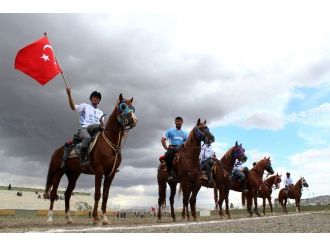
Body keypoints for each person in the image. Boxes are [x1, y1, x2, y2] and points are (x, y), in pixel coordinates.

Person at [66, 88, 105, 166]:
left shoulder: (101, 112)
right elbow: (73, 107)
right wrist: (69, 95)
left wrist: (102, 126)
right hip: (85, 129)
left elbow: (102, 124)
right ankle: (82, 160)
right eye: (94, 97)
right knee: (87, 138)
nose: (96, 98)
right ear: (91, 98)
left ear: (99, 100)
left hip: (96, 130)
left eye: (97, 98)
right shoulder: (85, 106)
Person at [161, 116, 188, 182]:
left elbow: (187, 142)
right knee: (167, 155)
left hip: (181, 148)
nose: (178, 122)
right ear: (175, 122)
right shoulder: (170, 131)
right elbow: (163, 139)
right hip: (172, 147)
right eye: (177, 121)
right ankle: (170, 174)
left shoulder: (185, 133)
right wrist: (166, 147)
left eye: (179, 121)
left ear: (182, 122)